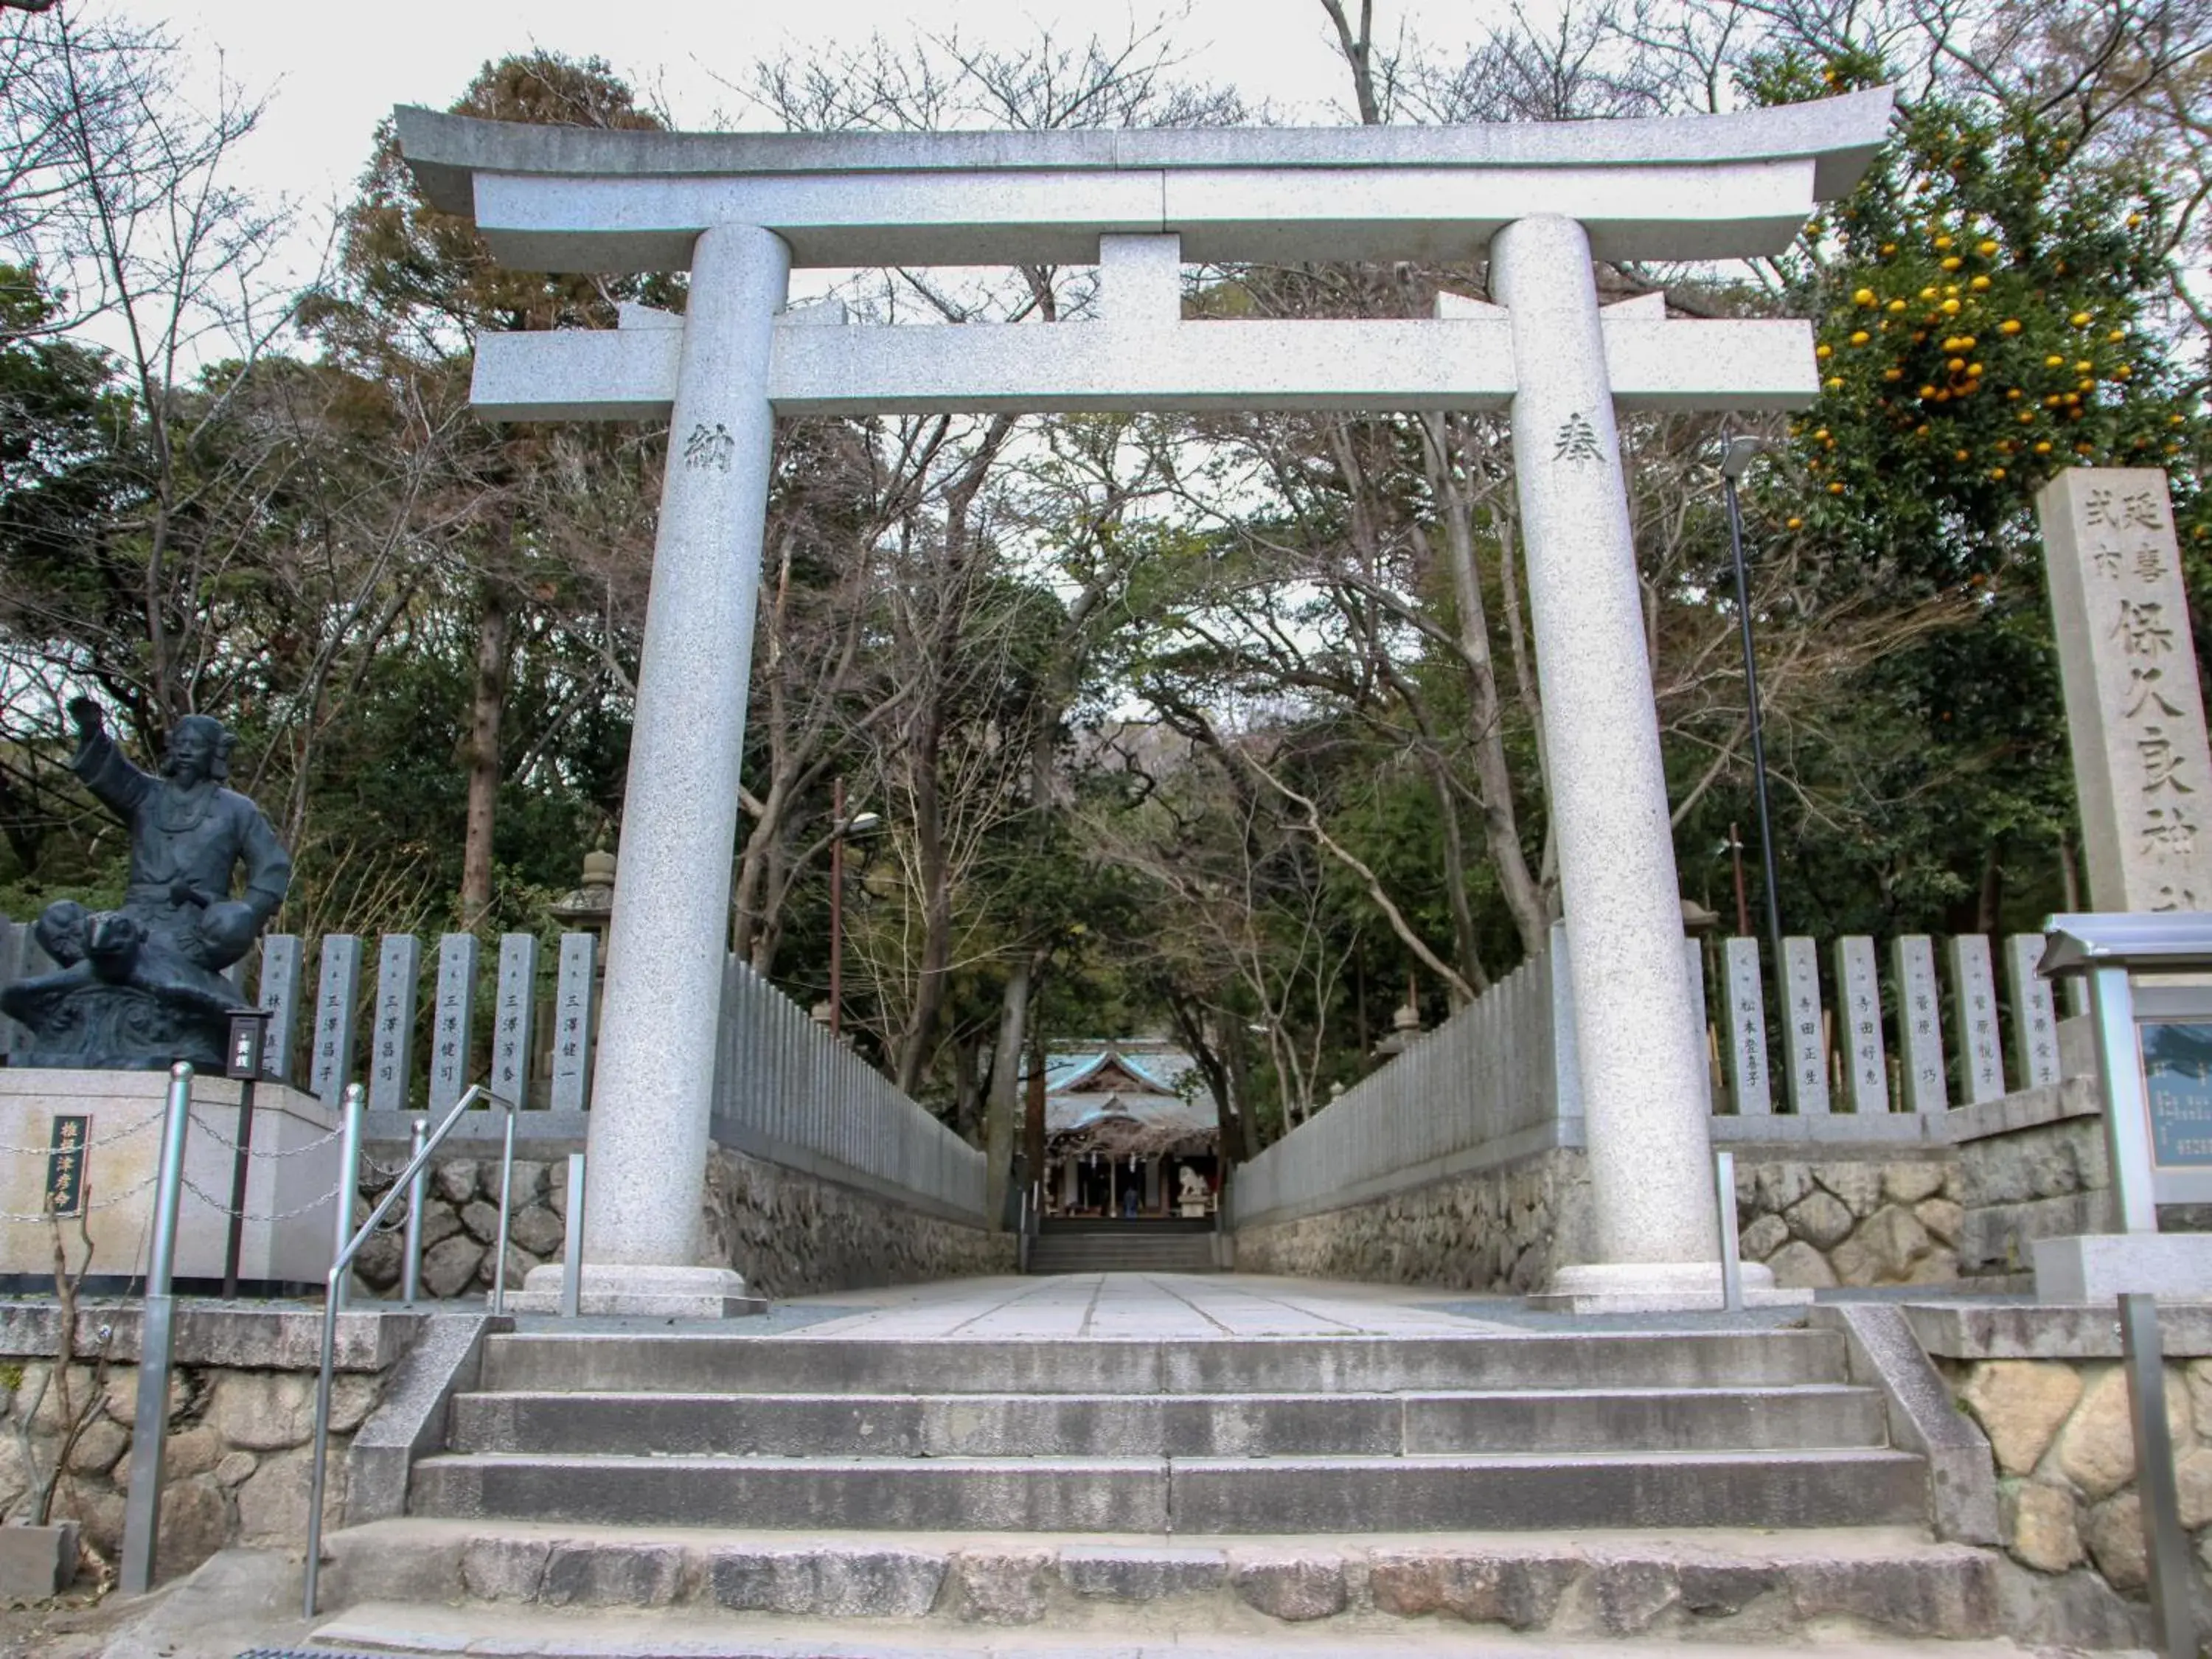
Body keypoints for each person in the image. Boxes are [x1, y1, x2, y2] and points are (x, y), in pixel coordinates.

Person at [42, 698, 291, 972]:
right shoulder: (145, 794)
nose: (186, 751)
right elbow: (112, 776)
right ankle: (111, 963)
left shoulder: (237, 809)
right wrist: (93, 734)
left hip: (195, 928)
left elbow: (272, 866)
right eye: (181, 743)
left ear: (216, 753)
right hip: (132, 919)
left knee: (236, 922)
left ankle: (157, 965)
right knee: (58, 916)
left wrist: (245, 914)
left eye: (196, 745)